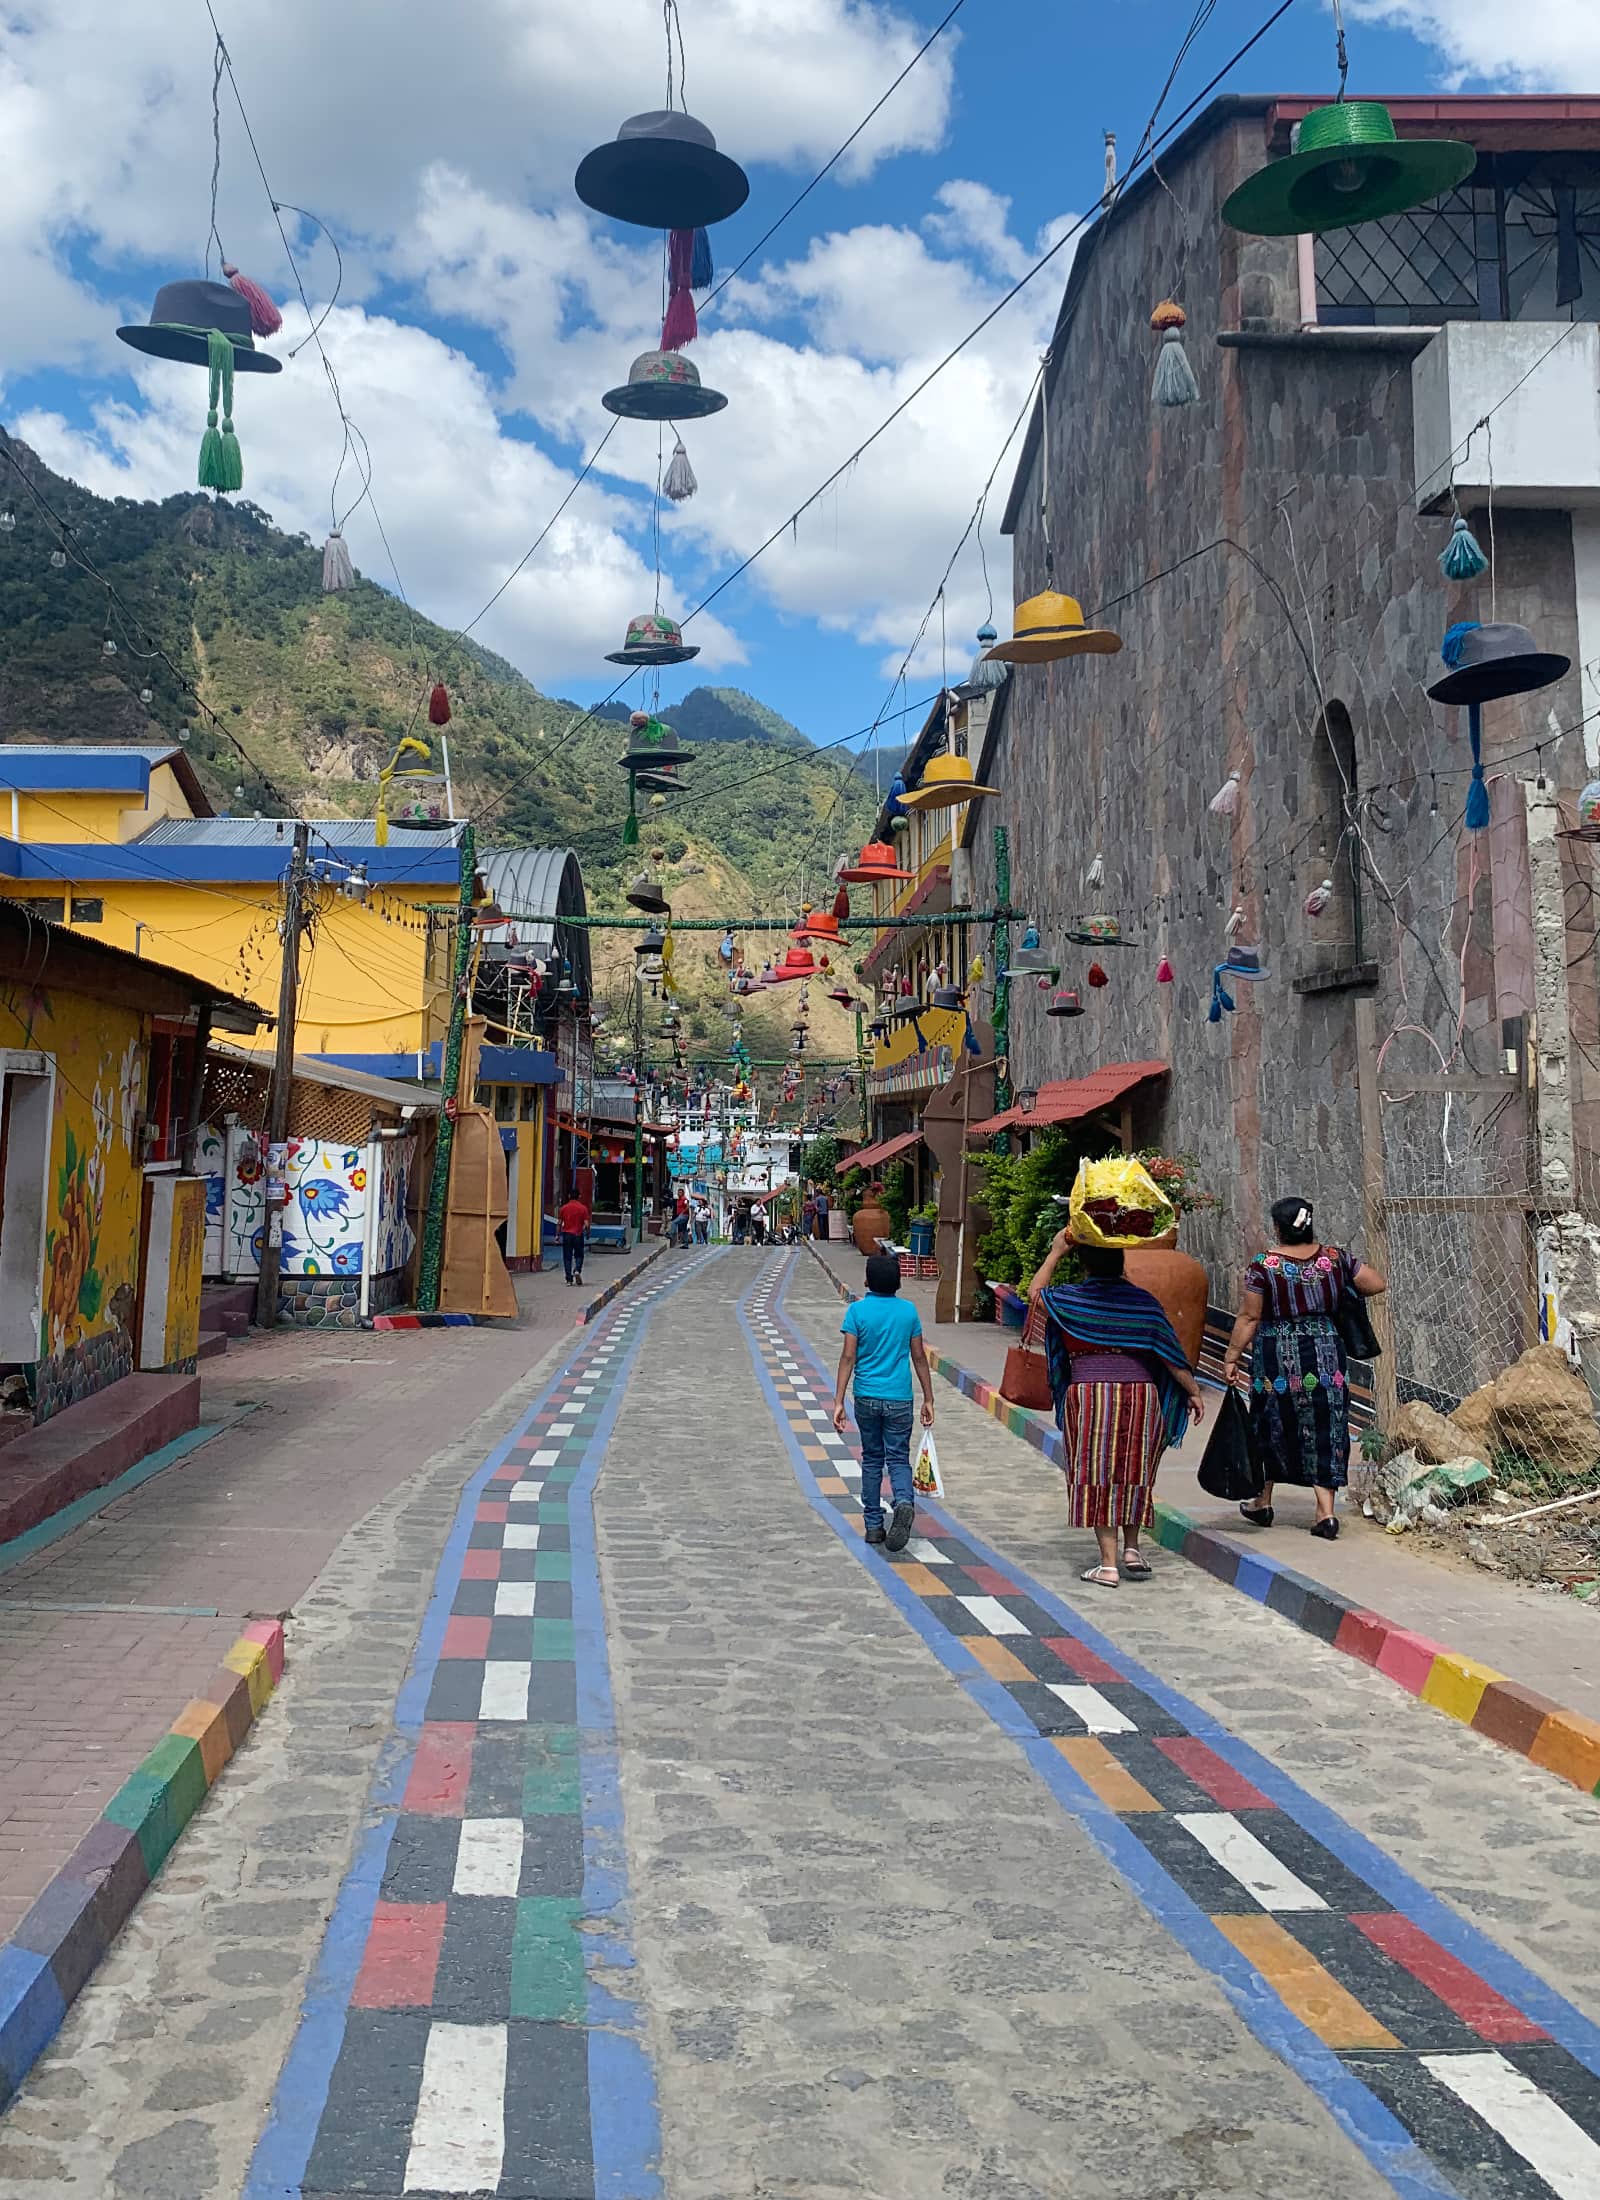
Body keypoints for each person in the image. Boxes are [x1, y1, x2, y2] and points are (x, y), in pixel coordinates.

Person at [1029, 1229, 1204, 1587]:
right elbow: (1170, 1355)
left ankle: (1107, 1565)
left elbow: (1035, 1295)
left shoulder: (1070, 1299)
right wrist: (1193, 1391)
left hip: (1090, 1396)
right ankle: (1132, 1549)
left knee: (1097, 1474)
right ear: (1121, 1263)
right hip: (1141, 1396)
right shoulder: (1143, 1303)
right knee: (1134, 1469)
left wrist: (1055, 1251)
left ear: (1084, 1264)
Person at [1221, 1196, 1387, 1540]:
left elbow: (1250, 1316)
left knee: (1269, 1424)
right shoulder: (1335, 1259)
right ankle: (1325, 1514)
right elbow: (1375, 1283)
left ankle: (1261, 1503)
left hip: (1276, 1360)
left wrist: (1232, 1356)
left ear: (1278, 1228)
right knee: (1327, 1425)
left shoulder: (1264, 1265)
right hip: (1326, 1356)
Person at [832, 1252, 936, 1551]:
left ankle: (873, 1525)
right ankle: (903, 1501)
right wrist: (928, 1398)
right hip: (900, 1398)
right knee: (898, 1458)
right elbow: (918, 1357)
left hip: (866, 1396)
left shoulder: (857, 1312)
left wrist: (838, 1401)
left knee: (873, 1459)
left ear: (866, 1280)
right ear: (899, 1282)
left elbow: (848, 1357)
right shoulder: (908, 1312)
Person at [557, 1190, 590, 1288]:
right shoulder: (583, 1208)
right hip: (578, 1234)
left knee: (567, 1257)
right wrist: (587, 1233)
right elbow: (587, 1224)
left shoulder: (563, 1208)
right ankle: (577, 1270)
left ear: (569, 1196)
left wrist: (557, 1235)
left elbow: (559, 1223)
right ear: (579, 1196)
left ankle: (569, 1280)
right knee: (579, 1255)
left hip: (567, 1235)